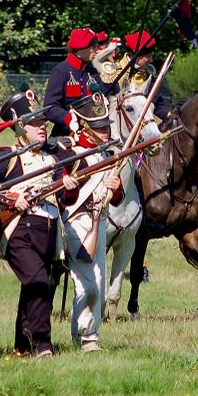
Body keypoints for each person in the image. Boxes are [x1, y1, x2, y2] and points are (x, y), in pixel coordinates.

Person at [0, 91, 74, 357]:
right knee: (38, 283)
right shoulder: (6, 155)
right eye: (35, 124)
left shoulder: (52, 158)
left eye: (43, 123)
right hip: (17, 230)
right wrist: (13, 197)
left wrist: (67, 187)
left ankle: (22, 345)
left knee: (33, 285)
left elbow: (64, 197)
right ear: (21, 126)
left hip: (47, 230)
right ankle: (43, 344)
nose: (42, 128)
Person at [59, 95, 122, 351]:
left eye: (106, 125)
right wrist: (72, 188)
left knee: (98, 284)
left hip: (100, 224)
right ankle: (88, 336)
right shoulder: (71, 155)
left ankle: (84, 335)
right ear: (85, 127)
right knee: (89, 285)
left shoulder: (108, 155)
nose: (105, 131)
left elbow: (117, 200)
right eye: (99, 127)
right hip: (79, 223)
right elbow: (64, 196)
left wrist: (115, 188)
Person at [44, 28, 116, 137]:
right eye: (93, 47)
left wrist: (113, 81)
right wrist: (69, 118)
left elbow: (101, 96)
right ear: (81, 49)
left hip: (94, 135)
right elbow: (50, 108)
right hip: (66, 134)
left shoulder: (92, 71)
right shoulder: (61, 71)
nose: (97, 51)